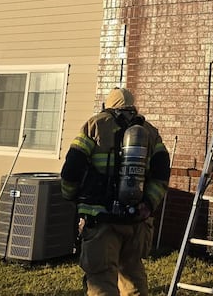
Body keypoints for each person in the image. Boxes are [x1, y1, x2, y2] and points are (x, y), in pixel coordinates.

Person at [60, 88, 170, 296]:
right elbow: (162, 174)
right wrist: (148, 204)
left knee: (101, 280)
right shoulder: (149, 131)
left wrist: (70, 195)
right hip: (136, 222)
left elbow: (72, 167)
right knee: (133, 277)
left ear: (108, 105)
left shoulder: (95, 125)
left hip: (101, 220)